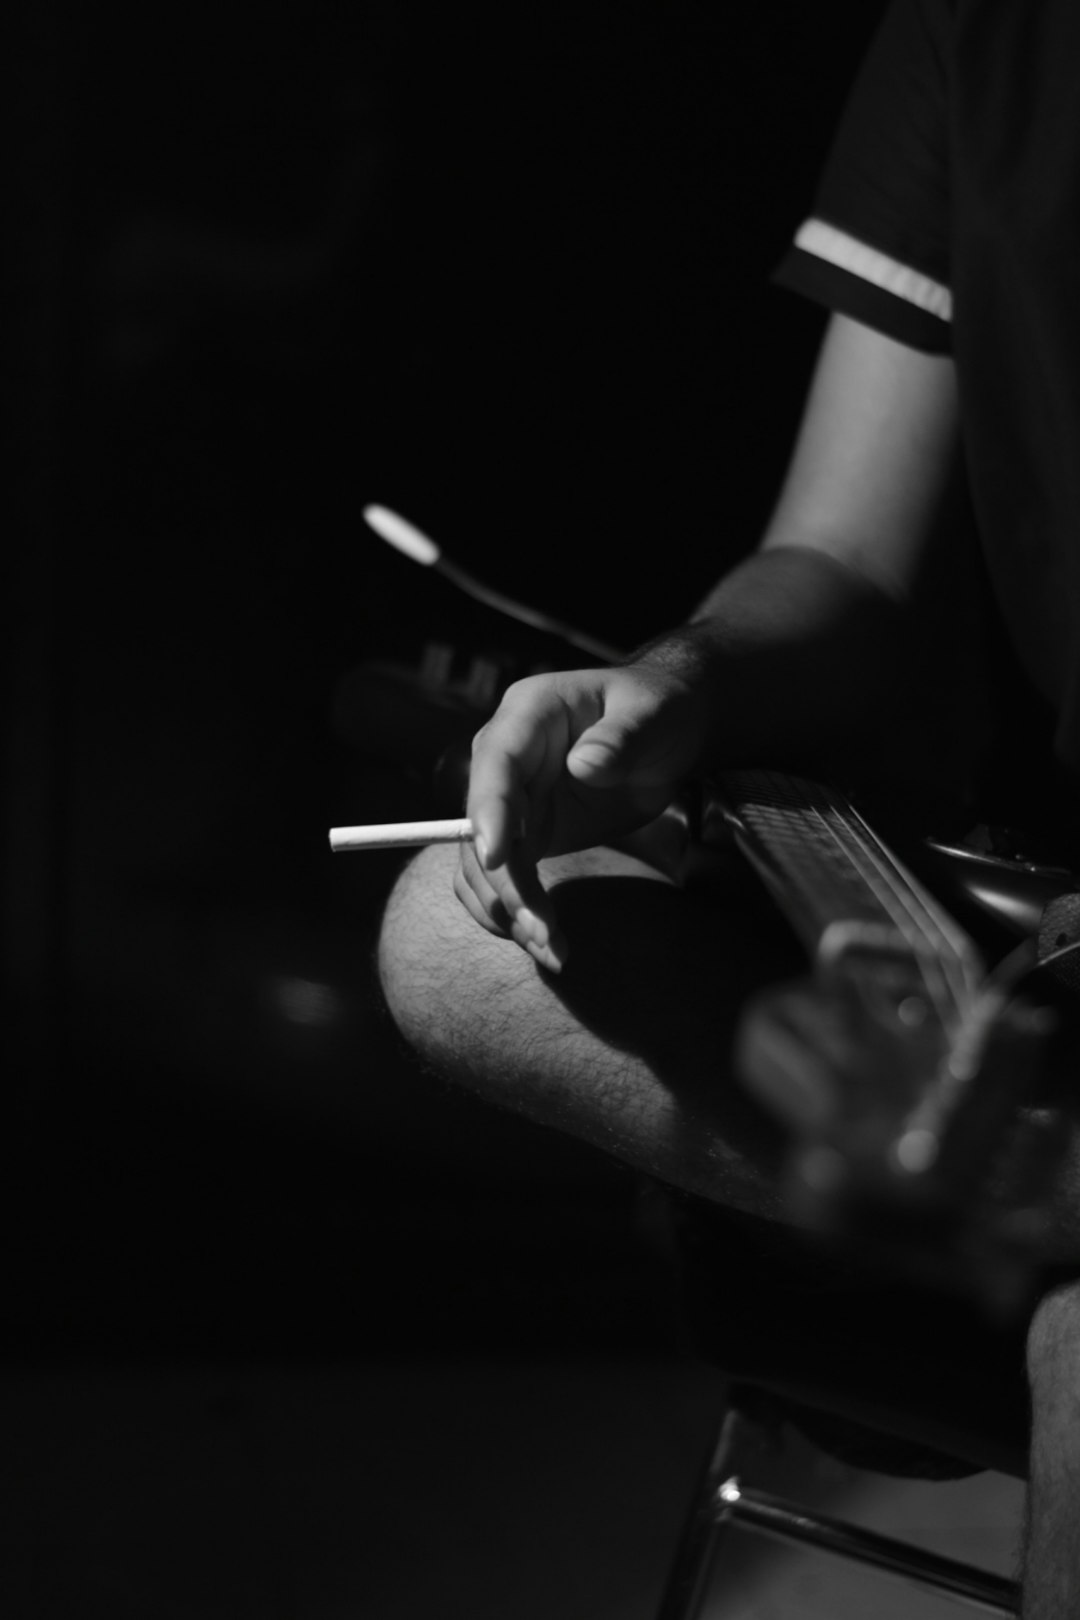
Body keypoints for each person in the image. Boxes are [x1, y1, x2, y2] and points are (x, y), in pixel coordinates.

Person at [377, 1, 1080, 1610]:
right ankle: (1035, 1191)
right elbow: (836, 563)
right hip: (1048, 947)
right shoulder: (980, 34)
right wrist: (674, 686)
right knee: (460, 936)